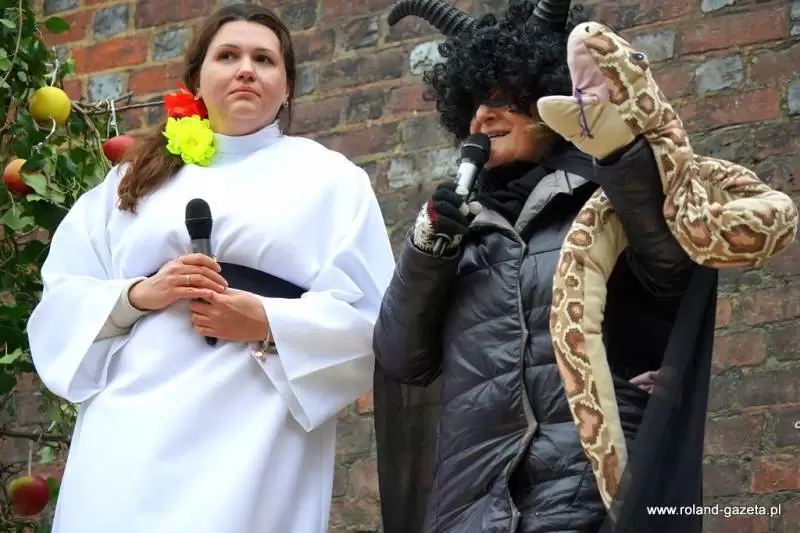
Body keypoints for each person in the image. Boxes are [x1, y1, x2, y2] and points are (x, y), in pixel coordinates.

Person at [371, 1, 795, 533]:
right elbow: (399, 360)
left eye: (505, 97)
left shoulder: (613, 196)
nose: (483, 115)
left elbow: (671, 269)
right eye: (475, 101)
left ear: (552, 95)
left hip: (586, 500)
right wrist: (427, 249)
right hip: (468, 511)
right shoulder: (455, 234)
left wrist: (623, 164)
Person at [26, 4, 395, 533]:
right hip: (131, 423)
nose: (246, 69)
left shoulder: (331, 179)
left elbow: (373, 319)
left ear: (287, 87)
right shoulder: (134, 179)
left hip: (256, 423)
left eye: (264, 59)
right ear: (197, 79)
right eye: (228, 56)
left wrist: (267, 321)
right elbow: (62, 297)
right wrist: (138, 296)